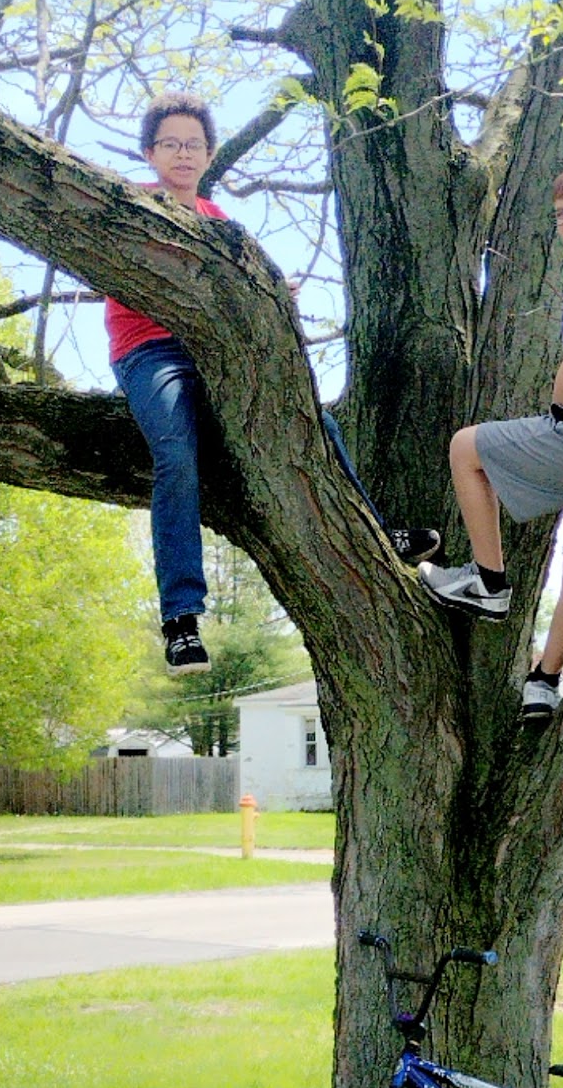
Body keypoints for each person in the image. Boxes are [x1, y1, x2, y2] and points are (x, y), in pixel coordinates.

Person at [107, 91, 440, 674]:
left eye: (193, 145)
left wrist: (272, 293)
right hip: (150, 352)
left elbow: (253, 291)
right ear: (150, 152)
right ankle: (181, 619)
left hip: (217, 353)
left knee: (316, 421)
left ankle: (381, 536)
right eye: (170, 144)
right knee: (177, 455)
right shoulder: (127, 204)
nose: (183, 154)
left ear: (208, 155)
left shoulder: (222, 223)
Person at [418, 162, 563, 721]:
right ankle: (545, 681)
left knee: (465, 447)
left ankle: (488, 582)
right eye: (562, 214)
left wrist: (558, 408)